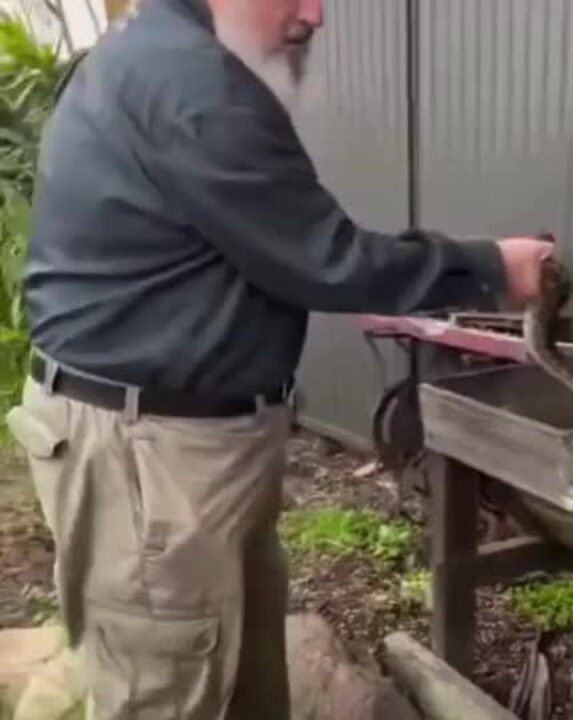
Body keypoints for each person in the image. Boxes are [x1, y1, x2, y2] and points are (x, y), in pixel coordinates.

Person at [8, 0, 553, 718]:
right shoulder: (191, 83)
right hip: (150, 461)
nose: (315, 15)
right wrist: (492, 268)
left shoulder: (152, 55)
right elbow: (323, 260)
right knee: (166, 690)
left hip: (166, 446)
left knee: (233, 673)